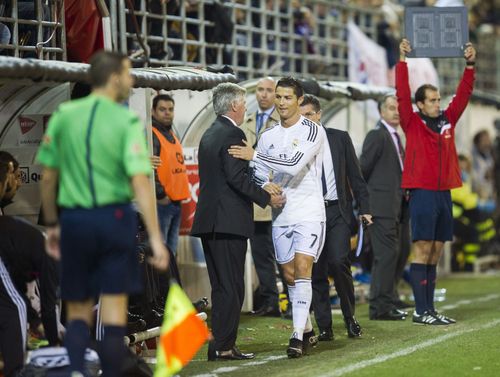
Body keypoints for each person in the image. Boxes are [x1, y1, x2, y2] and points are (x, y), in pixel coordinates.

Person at [36, 50, 168, 376]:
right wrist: (154, 236)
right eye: (127, 74)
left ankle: (77, 371)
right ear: (113, 78)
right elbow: (140, 182)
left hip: (75, 221)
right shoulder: (124, 120)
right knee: (112, 308)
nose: (131, 81)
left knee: (78, 310)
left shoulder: (65, 114)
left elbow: (48, 176)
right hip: (114, 221)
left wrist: (53, 225)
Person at [228, 77, 326, 358]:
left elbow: (294, 166)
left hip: (308, 211)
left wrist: (255, 155)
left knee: (303, 268)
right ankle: (306, 330)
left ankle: (295, 337)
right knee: (289, 274)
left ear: (298, 100)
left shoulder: (312, 130)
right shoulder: (269, 135)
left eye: (287, 98)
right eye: (279, 97)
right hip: (280, 213)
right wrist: (263, 187)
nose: (281, 102)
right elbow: (258, 174)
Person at [191, 82, 284, 361]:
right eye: (244, 103)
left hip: (210, 221)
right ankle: (224, 345)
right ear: (234, 105)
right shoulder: (232, 132)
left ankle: (218, 343)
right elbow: (236, 178)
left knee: (221, 285)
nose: (246, 108)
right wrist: (267, 197)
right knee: (232, 286)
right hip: (228, 221)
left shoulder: (210, 132)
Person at [397, 38, 476, 325]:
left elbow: (464, 95)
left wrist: (470, 65)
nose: (437, 103)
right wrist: (402, 61)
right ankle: (420, 311)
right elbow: (402, 93)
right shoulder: (412, 121)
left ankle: (429, 308)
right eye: (432, 100)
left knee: (437, 250)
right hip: (422, 192)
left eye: (438, 99)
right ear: (419, 104)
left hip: (444, 192)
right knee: (423, 248)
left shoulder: (447, 121)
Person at [299, 94, 371, 341]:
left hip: (336, 211)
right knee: (316, 270)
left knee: (339, 262)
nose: (305, 120)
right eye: (301, 116)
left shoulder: (339, 138)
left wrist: (365, 208)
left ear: (319, 114)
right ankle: (325, 327)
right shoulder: (296, 142)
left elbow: (355, 176)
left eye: (308, 114)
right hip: (309, 213)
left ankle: (350, 317)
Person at [360, 94, 410, 321]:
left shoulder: (395, 137)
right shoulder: (377, 135)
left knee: (394, 254)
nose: (396, 112)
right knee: (385, 256)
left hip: (394, 208)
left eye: (398, 108)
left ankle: (388, 300)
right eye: (391, 108)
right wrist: (363, 205)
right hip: (380, 208)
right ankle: (379, 307)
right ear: (381, 112)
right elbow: (362, 170)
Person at [240, 77, 282, 317]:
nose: (264, 95)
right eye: (260, 90)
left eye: (269, 91)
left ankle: (292, 299)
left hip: (275, 196)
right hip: (254, 198)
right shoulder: (247, 122)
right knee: (261, 255)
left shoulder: (282, 123)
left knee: (283, 253)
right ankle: (270, 301)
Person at [151, 93, 190, 258]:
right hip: (163, 204)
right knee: (162, 253)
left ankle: (170, 284)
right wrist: (160, 194)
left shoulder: (171, 135)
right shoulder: (152, 134)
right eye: (162, 109)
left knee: (171, 253)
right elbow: (150, 167)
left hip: (175, 202)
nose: (167, 113)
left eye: (170, 109)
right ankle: (161, 284)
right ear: (153, 111)